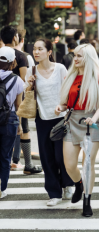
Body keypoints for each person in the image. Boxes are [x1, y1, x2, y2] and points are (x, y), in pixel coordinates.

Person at [56, 44, 99, 217]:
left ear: (89, 57)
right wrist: (60, 107)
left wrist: (94, 117)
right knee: (69, 164)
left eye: (79, 56)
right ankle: (78, 183)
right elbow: (66, 103)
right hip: (72, 121)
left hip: (92, 122)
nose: (75, 59)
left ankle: (87, 200)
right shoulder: (70, 77)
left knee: (88, 164)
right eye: (74, 55)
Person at [25, 39, 74, 206]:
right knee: (47, 157)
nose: (36, 52)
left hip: (61, 118)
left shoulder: (59, 68)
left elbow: (68, 89)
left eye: (40, 49)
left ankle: (68, 183)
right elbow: (28, 95)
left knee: (62, 156)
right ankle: (54, 192)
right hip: (42, 118)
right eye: (34, 49)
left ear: (49, 52)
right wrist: (30, 85)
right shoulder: (31, 71)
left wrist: (63, 106)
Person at [0, 26, 28, 172]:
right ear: (15, 38)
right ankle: (16, 161)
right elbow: (24, 81)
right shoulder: (21, 56)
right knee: (17, 130)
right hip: (12, 107)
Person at [15, 31, 42, 175]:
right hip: (20, 98)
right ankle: (28, 164)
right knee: (24, 130)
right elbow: (27, 79)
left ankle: (13, 161)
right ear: (18, 39)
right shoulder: (23, 57)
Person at [0, 47, 24, 199]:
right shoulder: (17, 80)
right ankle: (2, 189)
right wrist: (20, 125)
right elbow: (19, 106)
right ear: (12, 61)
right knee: (5, 156)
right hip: (9, 120)